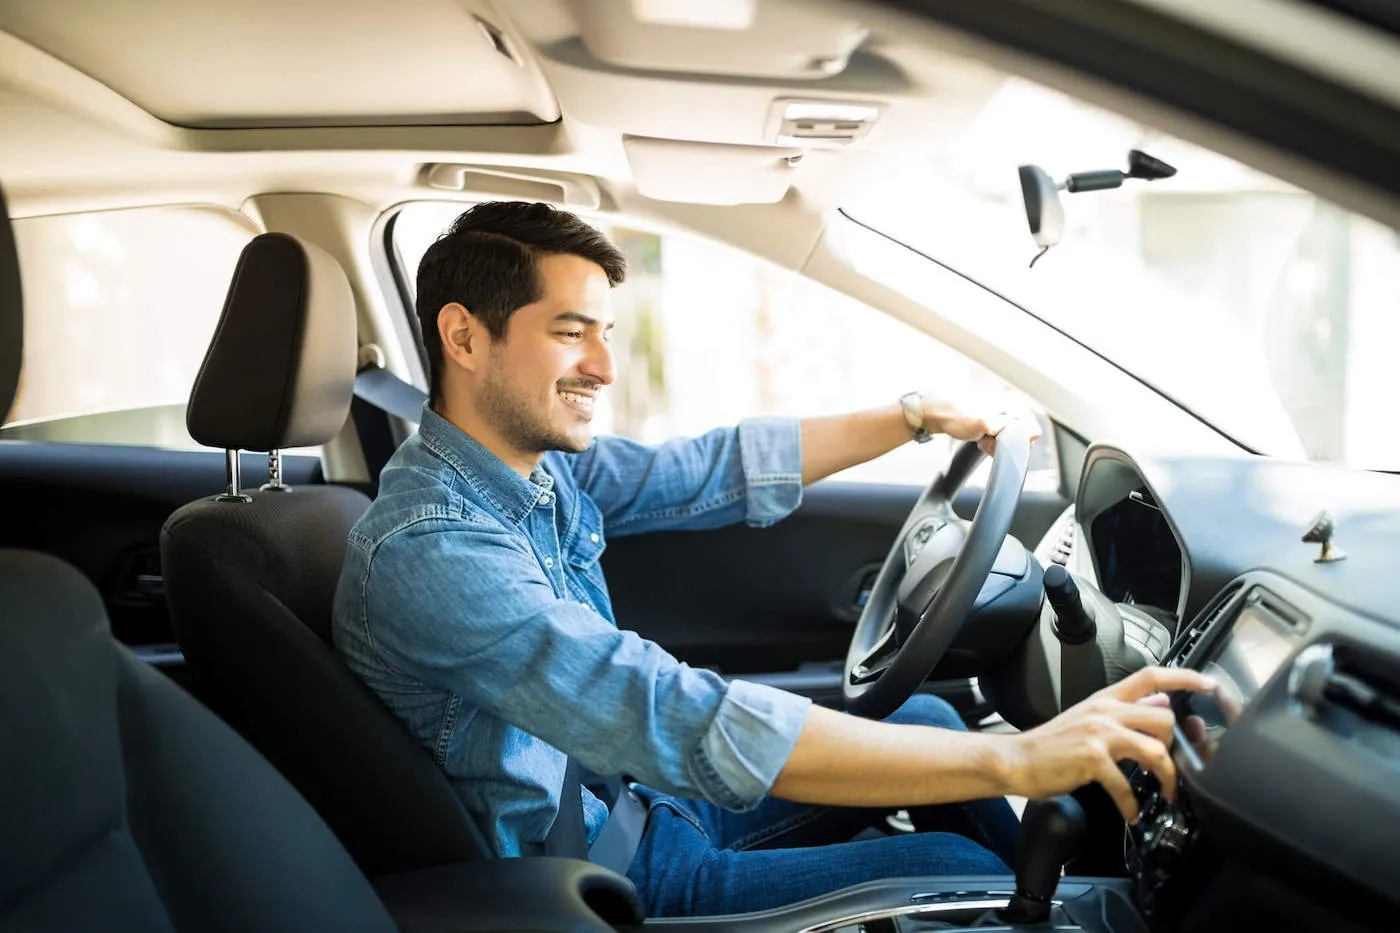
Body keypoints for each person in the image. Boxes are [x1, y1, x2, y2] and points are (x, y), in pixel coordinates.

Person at [331, 201, 1216, 917]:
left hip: (639, 804)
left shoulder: (536, 471)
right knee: (953, 858)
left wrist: (912, 416)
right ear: (463, 335)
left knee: (942, 731)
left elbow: (714, 469)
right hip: (597, 874)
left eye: (605, 331)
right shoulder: (433, 549)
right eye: (571, 332)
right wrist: (1018, 760)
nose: (604, 364)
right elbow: (666, 710)